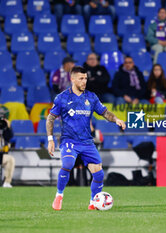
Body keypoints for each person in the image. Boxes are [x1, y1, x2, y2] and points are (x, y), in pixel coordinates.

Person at [47, 66, 126, 211]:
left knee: (99, 173)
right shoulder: (62, 98)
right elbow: (50, 119)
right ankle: (59, 195)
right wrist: (50, 139)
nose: (84, 82)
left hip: (87, 142)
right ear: (72, 79)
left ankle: (92, 202)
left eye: (86, 79)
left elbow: (105, 113)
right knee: (68, 164)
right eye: (81, 79)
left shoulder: (91, 97)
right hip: (69, 140)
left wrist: (116, 120)